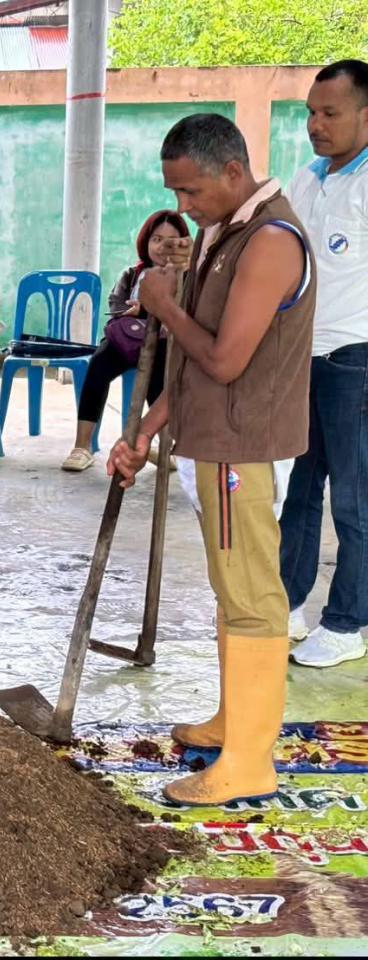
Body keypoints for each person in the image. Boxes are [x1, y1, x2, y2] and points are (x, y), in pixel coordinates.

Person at [109, 113, 314, 806]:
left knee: (254, 598)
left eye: (192, 192)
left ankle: (250, 761)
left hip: (244, 450)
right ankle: (236, 720)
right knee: (234, 590)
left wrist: (164, 308)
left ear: (233, 171)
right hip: (214, 440)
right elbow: (192, 372)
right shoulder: (221, 234)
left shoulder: (272, 240)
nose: (183, 209)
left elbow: (223, 360)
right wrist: (145, 431)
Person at [280, 59, 368, 668]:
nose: (315, 124)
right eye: (311, 112)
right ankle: (284, 604)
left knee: (355, 501)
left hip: (356, 359)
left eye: (330, 113)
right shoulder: (306, 180)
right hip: (302, 357)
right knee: (301, 491)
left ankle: (347, 621)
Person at [60, 210, 191, 472]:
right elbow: (116, 303)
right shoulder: (133, 273)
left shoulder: (187, 277)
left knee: (160, 373)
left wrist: (148, 308)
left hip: (165, 342)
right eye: (157, 239)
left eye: (171, 240)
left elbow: (186, 310)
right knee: (98, 364)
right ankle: (82, 445)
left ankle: (165, 445)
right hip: (128, 339)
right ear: (146, 241)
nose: (163, 247)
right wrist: (134, 310)